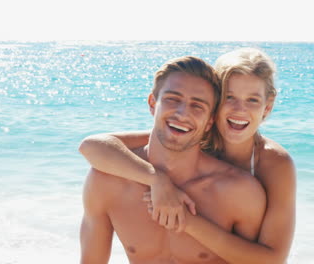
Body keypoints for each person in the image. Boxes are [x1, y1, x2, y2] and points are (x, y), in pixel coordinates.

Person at [80, 48, 296, 263]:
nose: (183, 115)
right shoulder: (107, 180)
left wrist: (186, 221)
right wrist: (157, 179)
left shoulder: (256, 179)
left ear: (267, 107)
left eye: (197, 106)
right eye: (229, 97)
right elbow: (92, 145)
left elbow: (270, 260)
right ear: (153, 104)